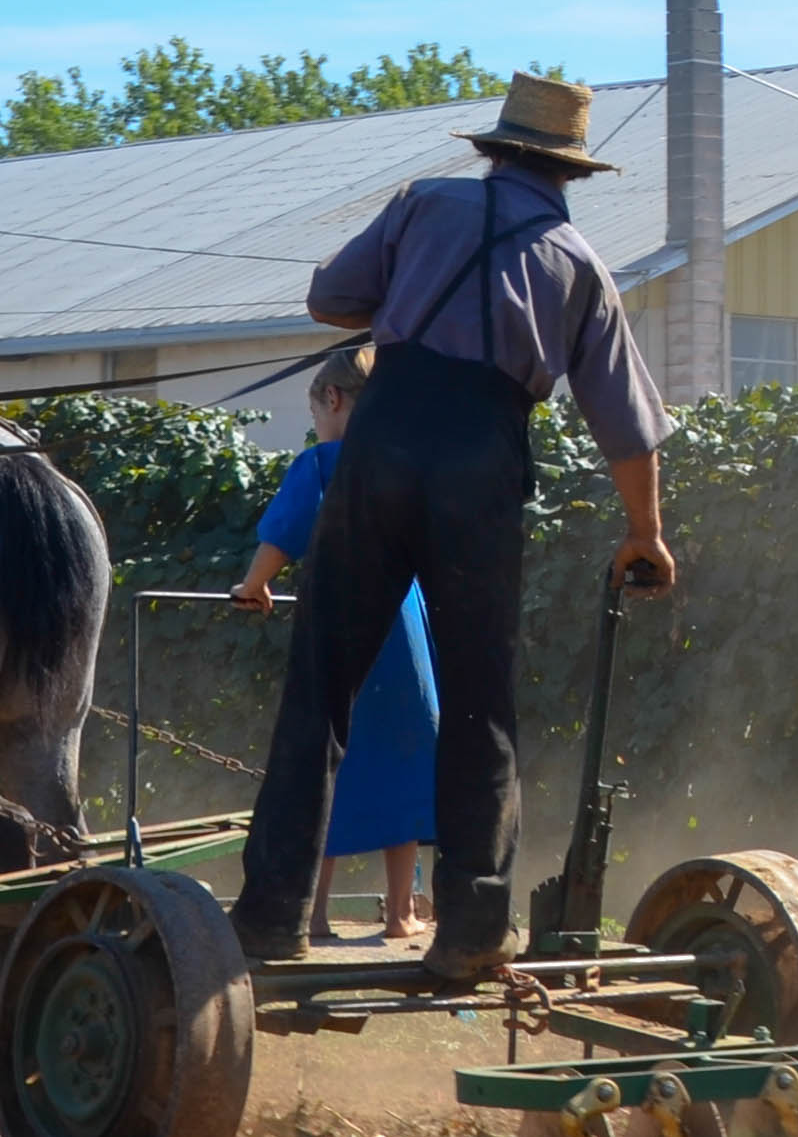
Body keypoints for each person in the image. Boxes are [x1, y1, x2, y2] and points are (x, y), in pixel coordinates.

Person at [233, 71, 676, 980]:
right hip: (483, 462)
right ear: (570, 174)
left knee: (323, 685)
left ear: (494, 150)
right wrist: (645, 530)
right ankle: (472, 928)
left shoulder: (422, 205)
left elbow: (328, 301)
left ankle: (273, 917)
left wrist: (402, 304)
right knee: (480, 699)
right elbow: (626, 420)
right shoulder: (581, 265)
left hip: (383, 443)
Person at [232, 346, 438, 944]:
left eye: (317, 411)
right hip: (411, 637)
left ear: (334, 399)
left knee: (322, 769)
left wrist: (254, 586)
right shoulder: (410, 464)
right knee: (402, 765)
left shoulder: (324, 463)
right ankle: (402, 914)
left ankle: (310, 914)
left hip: (348, 633)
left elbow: (285, 532)